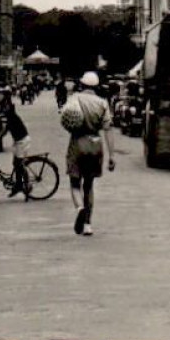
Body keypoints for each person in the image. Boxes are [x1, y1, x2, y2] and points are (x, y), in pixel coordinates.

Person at [62, 70, 115, 236]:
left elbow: (66, 117)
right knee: (89, 185)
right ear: (97, 86)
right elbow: (108, 129)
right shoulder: (102, 103)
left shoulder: (74, 98)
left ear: (82, 84)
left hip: (77, 143)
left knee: (74, 183)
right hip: (95, 144)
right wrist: (112, 156)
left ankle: (79, 208)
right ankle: (87, 225)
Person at [1, 97, 33, 196]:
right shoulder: (10, 115)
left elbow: (3, 131)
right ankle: (18, 185)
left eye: (5, 106)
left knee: (19, 164)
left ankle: (26, 185)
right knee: (16, 163)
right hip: (19, 141)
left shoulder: (11, 117)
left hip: (22, 141)